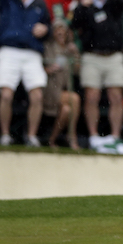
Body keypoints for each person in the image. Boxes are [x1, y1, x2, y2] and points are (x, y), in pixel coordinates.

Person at [71, 0, 123, 154]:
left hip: (114, 56)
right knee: (92, 96)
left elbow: (121, 5)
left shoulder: (113, 3)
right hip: (92, 56)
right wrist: (81, 6)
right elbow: (74, 24)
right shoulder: (85, 6)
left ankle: (115, 136)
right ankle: (94, 136)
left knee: (116, 96)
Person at [0, 0, 50, 147]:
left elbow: (49, 27)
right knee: (5, 95)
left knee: (37, 96)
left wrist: (45, 30)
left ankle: (31, 136)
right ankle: (5, 135)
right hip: (9, 50)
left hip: (32, 52)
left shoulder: (39, 1)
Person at [42, 18, 81, 150]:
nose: (60, 32)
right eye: (57, 29)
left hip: (63, 89)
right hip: (50, 89)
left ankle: (52, 140)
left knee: (66, 110)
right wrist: (49, 69)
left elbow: (76, 71)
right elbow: (42, 67)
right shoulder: (48, 46)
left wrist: (75, 53)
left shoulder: (70, 49)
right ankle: (72, 136)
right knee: (74, 98)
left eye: (62, 29)